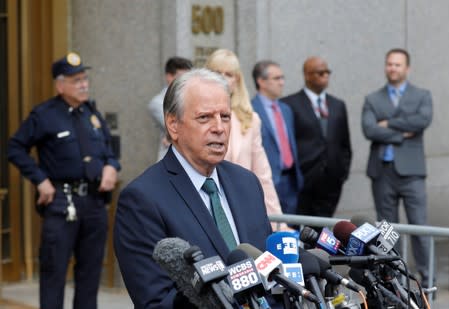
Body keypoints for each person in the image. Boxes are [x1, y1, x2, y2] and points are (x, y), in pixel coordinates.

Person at [114, 69, 273, 308]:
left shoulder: (247, 183)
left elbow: (269, 271)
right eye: (205, 118)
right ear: (173, 125)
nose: (219, 128)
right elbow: (155, 301)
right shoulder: (142, 199)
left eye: (225, 116)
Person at [7, 52, 120, 309]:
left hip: (94, 204)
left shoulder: (92, 114)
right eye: (76, 80)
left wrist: (112, 167)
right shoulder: (45, 114)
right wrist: (40, 180)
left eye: (84, 78)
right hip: (61, 204)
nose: (83, 84)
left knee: (90, 277)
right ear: (60, 85)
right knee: (54, 275)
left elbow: (110, 151)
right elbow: (15, 147)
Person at [361, 48, 433, 286]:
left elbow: (422, 120)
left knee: (419, 225)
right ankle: (394, 277)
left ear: (407, 68)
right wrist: (403, 134)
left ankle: (427, 274)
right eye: (389, 64)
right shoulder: (372, 98)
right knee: (387, 229)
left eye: (398, 65)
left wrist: (389, 124)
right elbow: (369, 130)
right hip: (382, 172)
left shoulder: (422, 95)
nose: (393, 68)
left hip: (412, 172)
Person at [204, 49, 288, 230]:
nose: (222, 79)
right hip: (203, 207)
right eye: (216, 72)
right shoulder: (195, 117)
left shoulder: (250, 120)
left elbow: (262, 176)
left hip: (241, 210)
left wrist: (278, 225)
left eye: (229, 74)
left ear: (237, 80)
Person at [281, 56, 352, 218]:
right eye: (320, 73)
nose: (325, 76)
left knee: (325, 232)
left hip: (332, 180)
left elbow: (344, 143)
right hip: (302, 181)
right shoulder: (289, 104)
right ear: (307, 75)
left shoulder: (337, 105)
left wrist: (342, 172)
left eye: (327, 72)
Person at [251, 60, 304, 215]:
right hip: (266, 181)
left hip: (290, 181)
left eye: (282, 78)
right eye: (276, 78)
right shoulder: (250, 110)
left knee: (289, 229)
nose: (282, 83)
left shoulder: (286, 109)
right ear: (261, 81)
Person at [148, 56, 193, 160]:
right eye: (183, 77)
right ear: (169, 77)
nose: (187, 82)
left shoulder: (195, 98)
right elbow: (181, 128)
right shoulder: (158, 103)